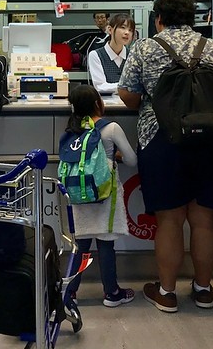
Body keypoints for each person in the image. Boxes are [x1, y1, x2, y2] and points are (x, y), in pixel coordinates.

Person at [117, 0, 213, 313]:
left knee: (170, 221)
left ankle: (167, 292)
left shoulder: (146, 48)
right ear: (194, 18)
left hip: (163, 143)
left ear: (158, 19)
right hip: (211, 144)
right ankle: (203, 290)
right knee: (205, 220)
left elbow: (127, 96)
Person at [63, 84, 137, 308]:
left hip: (78, 193)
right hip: (104, 193)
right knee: (106, 245)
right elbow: (132, 160)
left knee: (81, 245)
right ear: (98, 103)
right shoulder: (110, 128)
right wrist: (114, 156)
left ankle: (70, 293)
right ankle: (112, 293)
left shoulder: (71, 130)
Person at [87, 13, 135, 94]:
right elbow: (100, 86)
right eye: (123, 27)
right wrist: (126, 86)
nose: (127, 32)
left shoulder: (133, 55)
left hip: (130, 104)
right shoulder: (96, 55)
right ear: (110, 30)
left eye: (130, 30)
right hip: (106, 104)